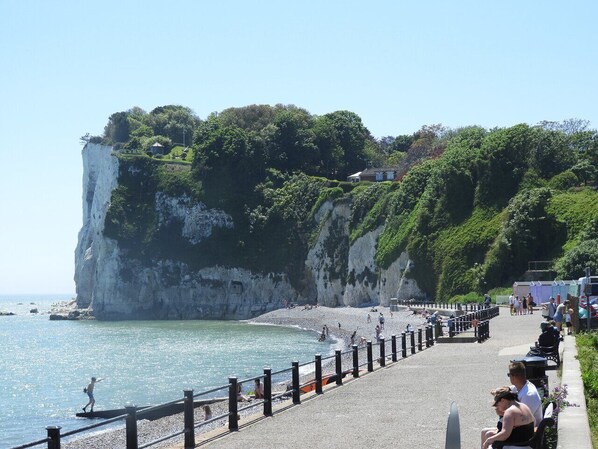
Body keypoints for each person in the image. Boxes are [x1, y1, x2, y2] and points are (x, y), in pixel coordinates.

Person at [507, 361, 543, 426]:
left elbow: (523, 419)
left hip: (529, 430)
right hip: (522, 426)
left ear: (513, 377)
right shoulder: (523, 386)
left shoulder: (529, 395)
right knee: (486, 431)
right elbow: (510, 389)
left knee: (489, 433)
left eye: (509, 375)